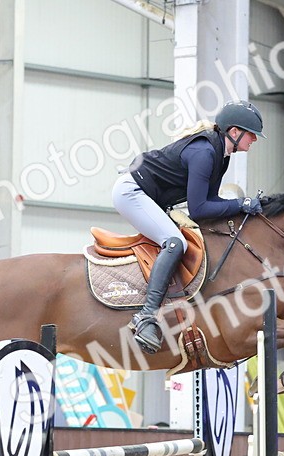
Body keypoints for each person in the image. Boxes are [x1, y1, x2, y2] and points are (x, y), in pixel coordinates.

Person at [113, 100, 266, 354]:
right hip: (132, 192)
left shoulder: (221, 155)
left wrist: (242, 207)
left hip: (150, 196)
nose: (255, 139)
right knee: (175, 242)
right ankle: (146, 316)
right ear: (234, 132)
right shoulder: (204, 153)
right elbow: (199, 209)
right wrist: (241, 203)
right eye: (251, 134)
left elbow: (212, 202)